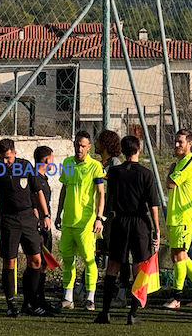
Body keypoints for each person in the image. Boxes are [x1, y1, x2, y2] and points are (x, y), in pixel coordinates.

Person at [93, 135, 161, 325]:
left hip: (120, 221)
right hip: (140, 222)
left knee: (113, 265)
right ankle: (132, 313)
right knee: (139, 267)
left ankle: (105, 312)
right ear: (138, 149)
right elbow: (153, 204)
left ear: (122, 151)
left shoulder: (115, 172)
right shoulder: (146, 174)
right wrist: (156, 228)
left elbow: (110, 196)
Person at [0, 138, 50, 317]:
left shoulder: (26, 166)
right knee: (9, 261)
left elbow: (38, 192)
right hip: (8, 219)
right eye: (2, 157)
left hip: (28, 217)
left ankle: (30, 303)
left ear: (15, 153)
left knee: (36, 261)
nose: (6, 161)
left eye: (8, 157)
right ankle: (11, 305)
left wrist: (45, 215)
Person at [55, 131, 105, 311]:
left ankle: (90, 299)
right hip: (68, 221)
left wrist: (98, 218)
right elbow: (64, 188)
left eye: (83, 145)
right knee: (67, 260)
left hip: (86, 223)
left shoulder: (95, 166)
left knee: (89, 260)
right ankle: (68, 298)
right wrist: (58, 213)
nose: (79, 148)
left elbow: (100, 194)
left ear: (89, 147)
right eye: (77, 145)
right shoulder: (68, 163)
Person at [162, 129, 192, 309]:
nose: (176, 145)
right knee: (178, 256)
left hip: (183, 216)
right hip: (175, 216)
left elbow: (170, 183)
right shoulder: (181, 161)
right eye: (175, 141)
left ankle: (176, 298)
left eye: (180, 142)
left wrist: (170, 170)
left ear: (189, 144)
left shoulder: (189, 162)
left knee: (179, 257)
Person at [94, 129, 128, 306]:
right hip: (102, 215)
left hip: (112, 217)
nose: (95, 143)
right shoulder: (101, 163)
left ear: (105, 144)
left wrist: (108, 214)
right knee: (98, 251)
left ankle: (122, 291)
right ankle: (88, 288)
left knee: (118, 254)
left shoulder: (114, 165)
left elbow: (114, 192)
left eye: (98, 140)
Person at [32, 145, 57, 314]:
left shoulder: (43, 177)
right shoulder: (34, 178)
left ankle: (41, 299)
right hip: (39, 226)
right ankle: (34, 300)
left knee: (44, 263)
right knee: (38, 262)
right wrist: (41, 219)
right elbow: (34, 201)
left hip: (44, 225)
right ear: (47, 159)